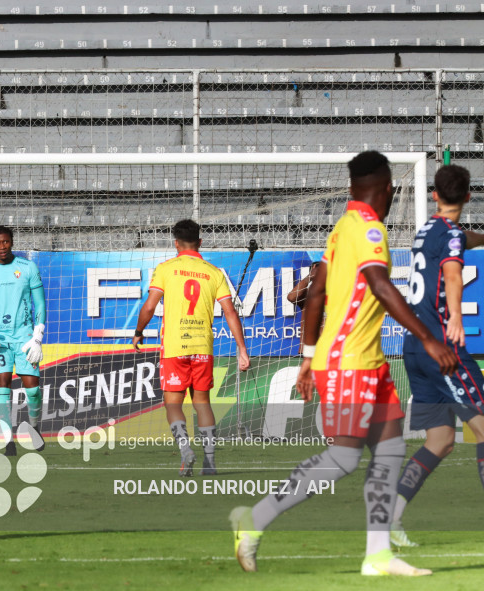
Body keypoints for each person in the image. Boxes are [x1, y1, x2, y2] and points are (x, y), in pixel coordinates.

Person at [229, 151, 457, 576]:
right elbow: (379, 283)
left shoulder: (342, 228)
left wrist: (308, 357)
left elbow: (315, 294)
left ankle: (378, 556)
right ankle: (253, 520)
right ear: (388, 189)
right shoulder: (368, 228)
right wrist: (427, 337)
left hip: (366, 361)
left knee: (389, 450)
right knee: (344, 459)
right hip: (350, 361)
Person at [390, 164, 484, 547]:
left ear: (434, 195)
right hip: (443, 347)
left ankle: (390, 518)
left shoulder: (428, 229)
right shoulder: (451, 238)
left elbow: (460, 239)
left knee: (442, 440)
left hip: (413, 347)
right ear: (468, 197)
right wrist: (457, 318)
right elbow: (450, 272)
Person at [132, 219, 250, 476]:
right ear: (200, 242)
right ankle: (210, 462)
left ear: (176, 243)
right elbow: (230, 311)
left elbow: (150, 307)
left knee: (173, 404)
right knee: (202, 403)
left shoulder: (165, 268)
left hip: (175, 346)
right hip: (202, 346)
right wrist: (242, 349)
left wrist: (139, 332)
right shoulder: (214, 272)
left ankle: (186, 450)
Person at [0, 225, 47, 455]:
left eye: (6, 242)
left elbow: (40, 304)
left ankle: (34, 428)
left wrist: (37, 336)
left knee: (32, 389)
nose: (2, 246)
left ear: (12, 242)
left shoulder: (27, 267)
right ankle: (8, 439)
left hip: (24, 337)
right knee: (2, 384)